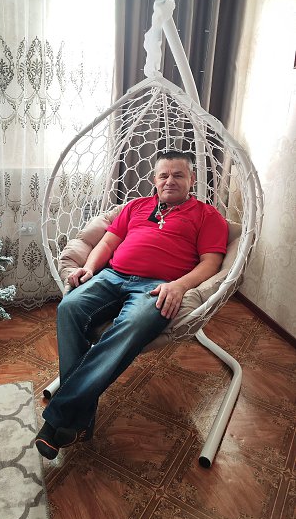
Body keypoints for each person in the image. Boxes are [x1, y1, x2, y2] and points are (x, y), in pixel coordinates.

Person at [35, 150, 228, 459]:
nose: (170, 181)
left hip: (158, 287)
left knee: (132, 325)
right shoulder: (136, 206)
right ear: (155, 179)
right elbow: (108, 242)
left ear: (192, 179)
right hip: (112, 276)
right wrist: (90, 268)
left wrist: (179, 286)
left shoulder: (207, 216)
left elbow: (211, 263)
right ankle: (78, 419)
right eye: (164, 175)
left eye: (178, 175)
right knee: (68, 307)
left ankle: (59, 419)